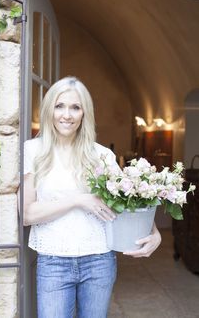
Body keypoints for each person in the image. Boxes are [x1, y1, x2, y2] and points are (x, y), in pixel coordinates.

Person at [22, 76, 161, 318]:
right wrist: (79, 199)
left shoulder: (102, 155)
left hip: (98, 260)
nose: (67, 114)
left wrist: (154, 233)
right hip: (54, 262)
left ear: (84, 113)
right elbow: (27, 214)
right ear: (49, 110)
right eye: (59, 106)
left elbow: (129, 204)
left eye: (75, 107)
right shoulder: (33, 151)